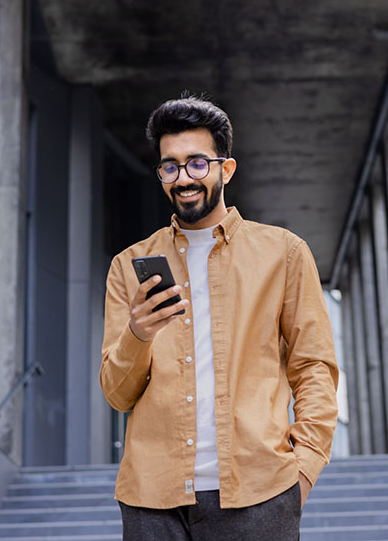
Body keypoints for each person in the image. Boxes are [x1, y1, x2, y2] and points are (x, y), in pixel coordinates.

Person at [100, 94, 339, 541]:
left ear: (225, 169)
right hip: (152, 501)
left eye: (196, 163)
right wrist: (139, 333)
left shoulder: (283, 254)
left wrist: (303, 468)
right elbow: (117, 394)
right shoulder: (128, 265)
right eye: (169, 166)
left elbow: (314, 368)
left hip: (259, 493)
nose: (182, 178)